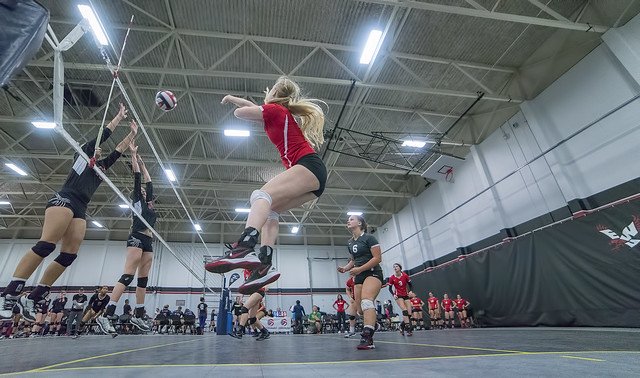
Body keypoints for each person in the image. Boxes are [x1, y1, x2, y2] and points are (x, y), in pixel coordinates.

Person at [0, 104, 136, 322]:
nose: (97, 151)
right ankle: (9, 293)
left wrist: (131, 135)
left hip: (81, 206)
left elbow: (118, 151)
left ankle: (34, 297)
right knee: (46, 245)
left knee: (69, 255)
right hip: (65, 198)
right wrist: (118, 117)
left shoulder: (100, 169)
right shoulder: (82, 159)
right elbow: (103, 135)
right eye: (94, 150)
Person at [206, 77, 327, 295]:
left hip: (308, 165)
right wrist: (235, 99)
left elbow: (240, 114)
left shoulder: (274, 110)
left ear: (274, 96)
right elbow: (253, 109)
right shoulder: (277, 113)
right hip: (313, 175)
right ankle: (264, 265)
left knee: (260, 195)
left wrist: (234, 102)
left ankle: (245, 246)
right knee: (270, 210)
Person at [100, 146, 154, 332]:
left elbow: (149, 182)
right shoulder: (137, 201)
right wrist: (133, 157)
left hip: (148, 241)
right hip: (137, 237)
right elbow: (138, 179)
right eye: (142, 193)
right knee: (128, 275)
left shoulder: (149, 206)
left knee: (143, 280)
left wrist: (143, 164)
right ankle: (107, 314)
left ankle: (138, 316)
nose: (145, 193)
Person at [337, 215, 383, 350]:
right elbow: (353, 260)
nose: (348, 221)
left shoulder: (369, 238)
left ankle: (367, 337)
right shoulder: (350, 242)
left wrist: (360, 269)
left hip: (372, 273)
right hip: (359, 275)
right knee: (360, 310)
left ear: (360, 223)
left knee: (367, 301)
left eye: (351, 219)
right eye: (348, 220)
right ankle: (373, 323)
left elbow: (377, 258)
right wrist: (346, 268)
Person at [229, 269, 271, 340]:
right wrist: (241, 296)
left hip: (259, 292)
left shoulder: (256, 269)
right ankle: (265, 332)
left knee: (244, 309)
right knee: (252, 318)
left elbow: (264, 278)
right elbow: (245, 284)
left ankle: (239, 332)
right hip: (254, 293)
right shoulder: (245, 272)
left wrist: (266, 286)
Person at [388, 263, 414, 336]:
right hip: (398, 296)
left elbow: (411, 284)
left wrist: (411, 291)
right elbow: (389, 288)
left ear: (400, 268)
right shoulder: (392, 277)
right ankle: (408, 329)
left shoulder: (405, 275)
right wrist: (394, 294)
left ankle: (401, 326)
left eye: (396, 266)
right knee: (404, 311)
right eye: (394, 267)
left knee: (409, 313)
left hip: (406, 295)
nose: (395, 268)